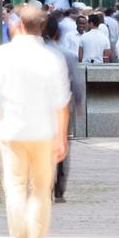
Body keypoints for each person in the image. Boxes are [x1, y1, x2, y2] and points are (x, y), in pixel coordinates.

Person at [0, 4, 69, 238]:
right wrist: (62, 137)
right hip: (44, 132)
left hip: (11, 131)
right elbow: (61, 103)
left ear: (19, 25)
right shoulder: (52, 58)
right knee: (41, 192)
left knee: (15, 188)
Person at [42, 13, 83, 203]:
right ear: (57, 33)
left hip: (38, 108)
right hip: (61, 107)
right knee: (61, 144)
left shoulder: (33, 55)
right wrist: (78, 103)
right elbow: (77, 83)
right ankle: (59, 187)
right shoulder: (67, 55)